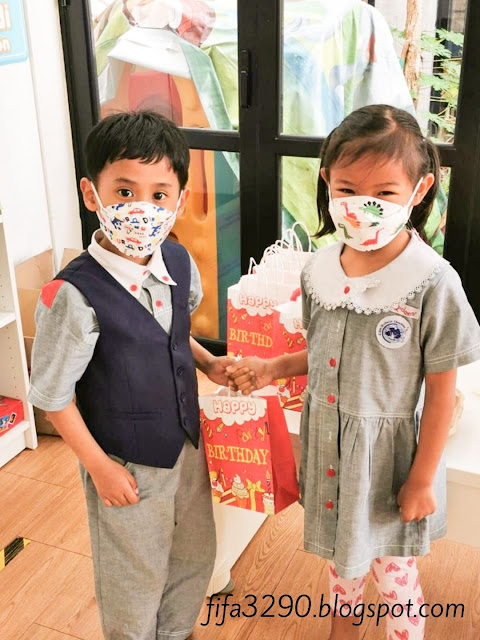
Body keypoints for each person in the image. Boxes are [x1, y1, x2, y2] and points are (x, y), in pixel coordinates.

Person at [227, 104, 480, 640]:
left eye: (384, 192)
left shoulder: (432, 281)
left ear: (420, 189)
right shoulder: (319, 268)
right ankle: (343, 629)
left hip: (389, 463)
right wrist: (274, 366)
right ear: (327, 182)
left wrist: (421, 479)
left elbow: (441, 395)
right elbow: (324, 352)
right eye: (347, 189)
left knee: (393, 574)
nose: (364, 205)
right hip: (330, 449)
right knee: (341, 559)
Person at [28, 110, 233, 640]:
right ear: (91, 193)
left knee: (192, 555)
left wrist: (209, 362)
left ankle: (176, 633)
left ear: (180, 201)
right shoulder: (72, 296)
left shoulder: (178, 263)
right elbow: (52, 396)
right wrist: (99, 468)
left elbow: (171, 329)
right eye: (124, 191)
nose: (142, 208)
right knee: (134, 575)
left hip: (186, 447)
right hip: (125, 463)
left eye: (159, 194)